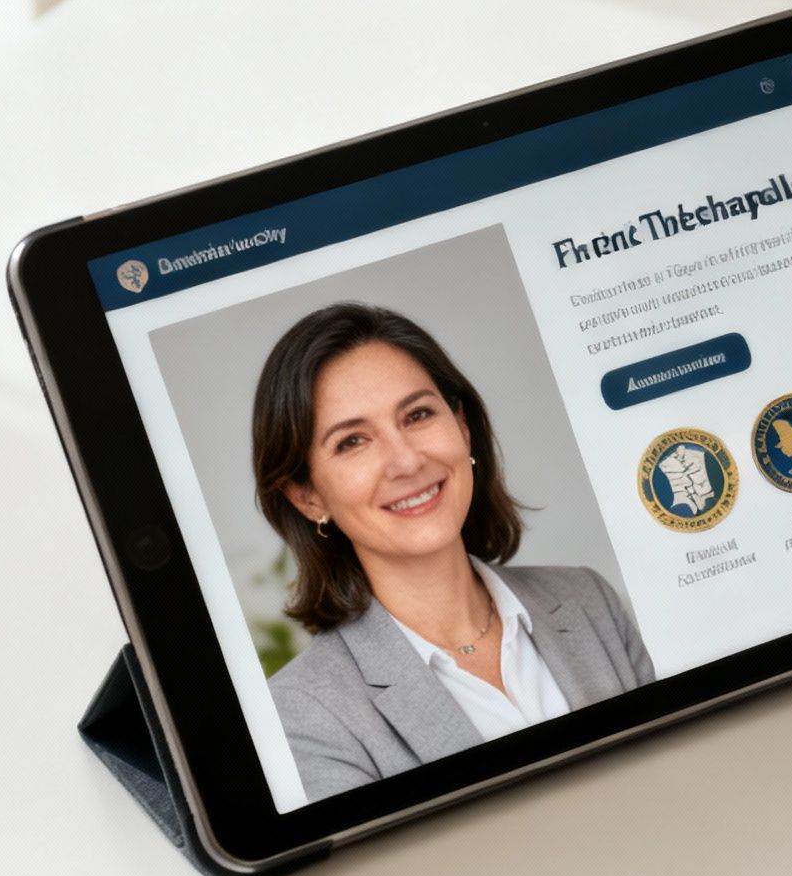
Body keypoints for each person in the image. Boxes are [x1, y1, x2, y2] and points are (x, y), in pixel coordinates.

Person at [252, 302, 653, 802]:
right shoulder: (303, 713)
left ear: (462, 428)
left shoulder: (589, 600)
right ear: (307, 495)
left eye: (417, 415)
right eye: (353, 441)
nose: (405, 460)